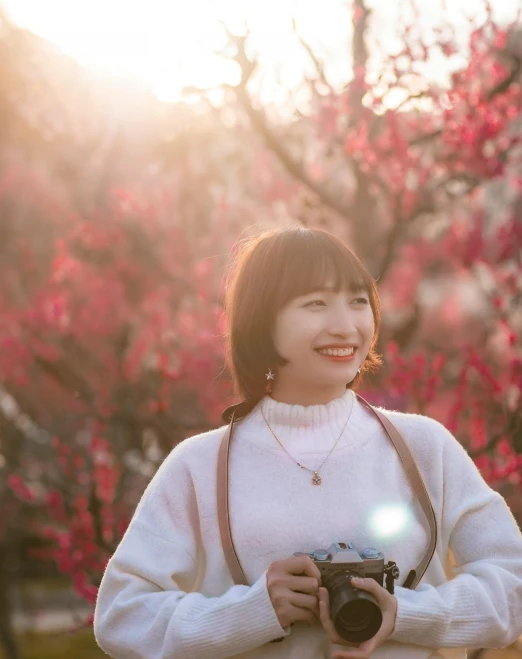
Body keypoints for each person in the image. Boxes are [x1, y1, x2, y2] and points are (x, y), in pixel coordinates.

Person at [93, 225, 522, 659]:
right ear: (263, 320)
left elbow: (513, 584)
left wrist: (406, 614)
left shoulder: (424, 447)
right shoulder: (200, 467)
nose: (345, 326)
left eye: (358, 301)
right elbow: (122, 615)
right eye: (316, 304)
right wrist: (253, 611)